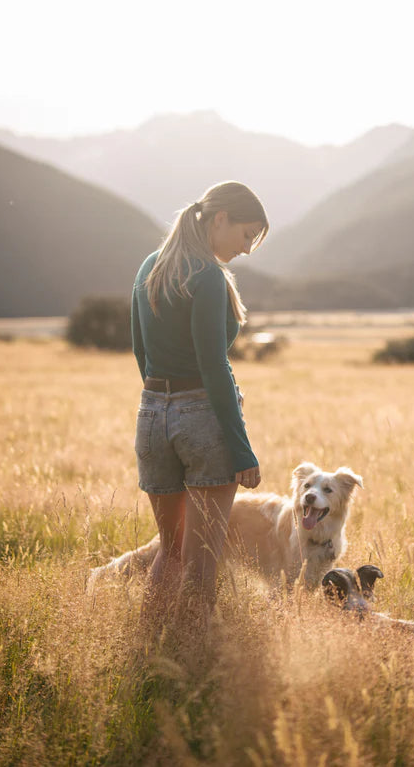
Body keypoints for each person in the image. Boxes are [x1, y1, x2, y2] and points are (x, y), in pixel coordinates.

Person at [131, 180, 269, 622]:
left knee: (169, 551)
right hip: (202, 419)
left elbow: (140, 353)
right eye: (247, 234)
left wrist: (163, 407)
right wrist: (241, 448)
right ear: (219, 219)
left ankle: (152, 649)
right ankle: (194, 658)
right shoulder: (207, 276)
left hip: (151, 415)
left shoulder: (149, 267)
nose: (247, 248)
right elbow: (214, 366)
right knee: (202, 559)